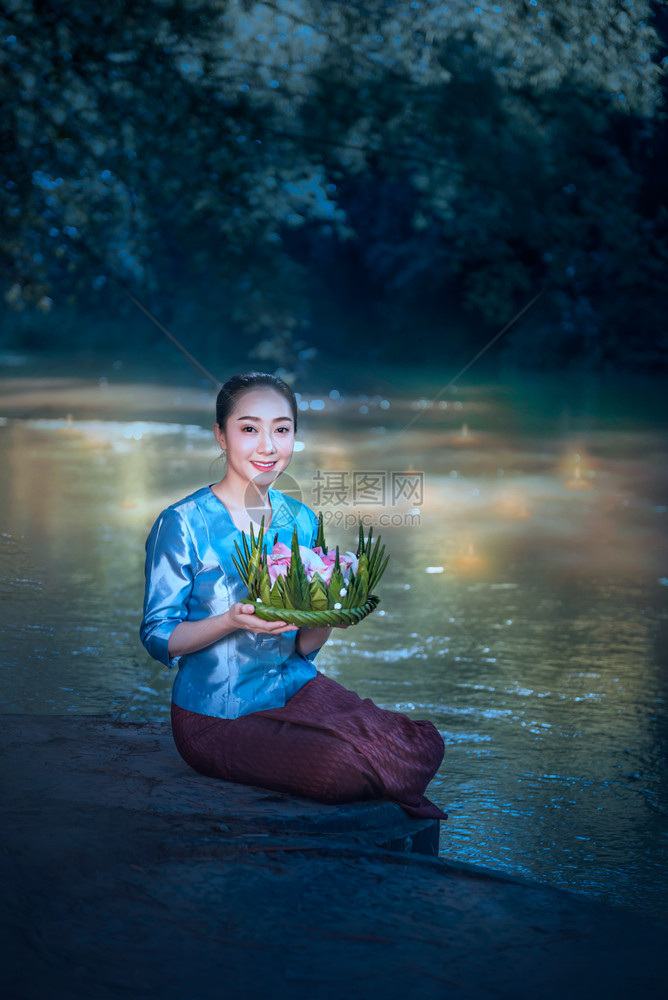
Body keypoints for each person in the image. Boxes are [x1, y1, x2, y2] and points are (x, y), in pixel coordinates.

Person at [140, 370, 447, 821]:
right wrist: (231, 620)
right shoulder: (182, 523)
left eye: (281, 430)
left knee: (423, 740)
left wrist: (328, 615)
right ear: (221, 436)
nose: (267, 446)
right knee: (340, 769)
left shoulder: (301, 519)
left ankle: (359, 758)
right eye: (249, 429)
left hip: (296, 690)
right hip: (218, 717)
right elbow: (157, 636)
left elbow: (302, 647)